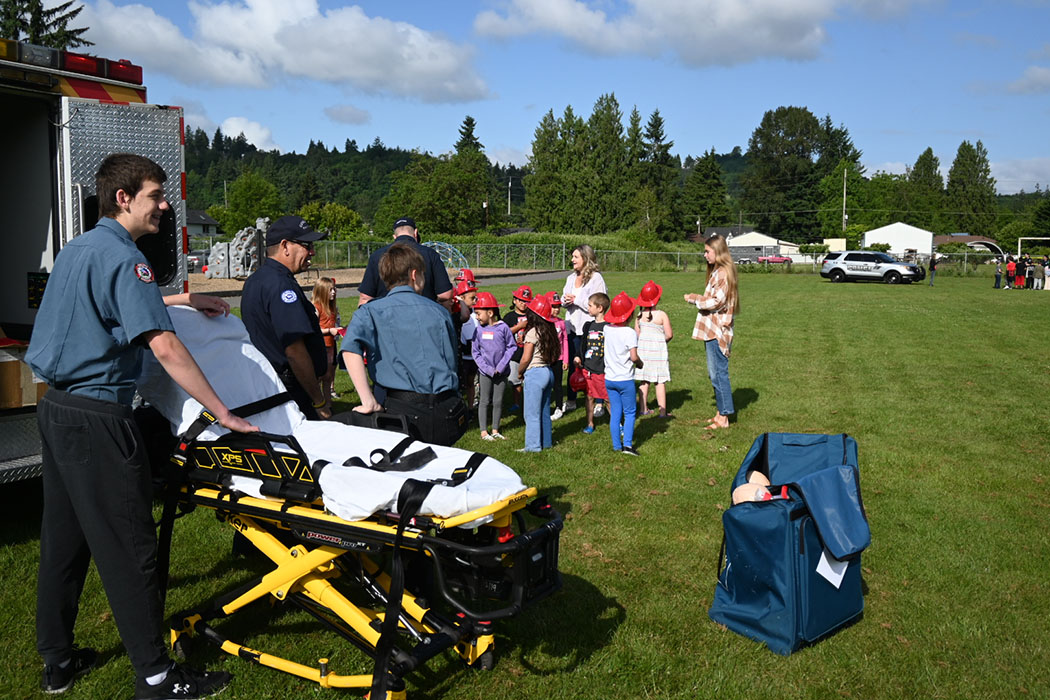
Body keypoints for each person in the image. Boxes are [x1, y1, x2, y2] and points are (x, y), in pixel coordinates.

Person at [25, 153, 258, 699]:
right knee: (131, 546)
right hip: (100, 417)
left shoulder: (80, 248)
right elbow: (165, 346)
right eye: (156, 195)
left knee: (65, 541)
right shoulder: (127, 259)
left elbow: (111, 305)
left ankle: (57, 662)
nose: (165, 206)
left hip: (57, 409)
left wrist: (182, 297)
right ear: (124, 198)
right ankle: (156, 676)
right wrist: (221, 412)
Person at [341, 243, 462, 445]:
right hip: (446, 408)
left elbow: (349, 348)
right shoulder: (440, 312)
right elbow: (450, 359)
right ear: (415, 275)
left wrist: (367, 399)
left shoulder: (370, 311)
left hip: (401, 410)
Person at [241, 215, 330, 420]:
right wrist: (319, 401)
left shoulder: (256, 280)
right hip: (292, 388)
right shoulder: (281, 285)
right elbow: (295, 351)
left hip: (270, 383)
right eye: (307, 245)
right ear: (285, 246)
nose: (312, 252)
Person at [685, 233, 740, 431]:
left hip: (719, 332)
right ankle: (720, 412)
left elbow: (717, 302)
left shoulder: (724, 273)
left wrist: (694, 299)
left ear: (717, 251)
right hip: (712, 330)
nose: (705, 255)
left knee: (719, 374)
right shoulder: (718, 271)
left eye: (707, 251)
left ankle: (724, 417)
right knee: (714, 373)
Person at [357, 216, 453, 306]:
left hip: (386, 318)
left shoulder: (377, 256)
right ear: (415, 233)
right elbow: (445, 295)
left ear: (394, 236)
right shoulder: (431, 254)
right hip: (425, 315)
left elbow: (365, 298)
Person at [561, 244, 607, 412]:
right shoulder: (570, 278)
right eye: (572, 257)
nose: (572, 260)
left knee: (594, 365)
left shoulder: (596, 278)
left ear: (586, 259)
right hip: (572, 328)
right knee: (574, 364)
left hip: (590, 328)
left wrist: (577, 301)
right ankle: (571, 400)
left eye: (576, 257)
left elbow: (601, 302)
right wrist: (564, 300)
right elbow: (564, 298)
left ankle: (599, 402)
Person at [471, 292, 516, 441]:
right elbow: (475, 352)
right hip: (485, 373)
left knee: (498, 401)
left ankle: (495, 429)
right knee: (484, 401)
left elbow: (511, 347)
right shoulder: (478, 330)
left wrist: (501, 366)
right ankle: (484, 431)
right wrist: (487, 369)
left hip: (501, 373)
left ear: (490, 313)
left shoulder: (503, 328)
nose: (477, 317)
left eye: (478, 313)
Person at [603, 292, 642, 456]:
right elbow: (633, 357)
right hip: (625, 379)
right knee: (630, 412)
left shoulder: (607, 329)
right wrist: (639, 363)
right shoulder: (630, 333)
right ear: (630, 314)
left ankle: (616, 446)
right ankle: (627, 445)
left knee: (616, 412)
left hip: (609, 378)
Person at [519, 294, 559, 452]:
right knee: (544, 411)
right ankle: (546, 442)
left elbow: (525, 358)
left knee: (531, 413)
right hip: (547, 372)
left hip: (534, 373)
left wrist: (520, 372)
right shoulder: (549, 331)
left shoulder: (532, 333)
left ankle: (533, 446)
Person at [634, 280, 673, 418]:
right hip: (658, 352)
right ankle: (662, 412)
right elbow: (669, 334)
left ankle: (643, 409)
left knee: (644, 380)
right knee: (659, 381)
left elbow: (637, 335)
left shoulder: (639, 316)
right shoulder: (662, 315)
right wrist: (661, 341)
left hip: (643, 352)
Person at [575, 292, 610, 435]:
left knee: (607, 399)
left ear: (600, 308)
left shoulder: (608, 327)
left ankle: (618, 423)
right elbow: (583, 345)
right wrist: (578, 356)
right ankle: (590, 423)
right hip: (588, 368)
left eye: (590, 305)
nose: (588, 308)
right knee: (589, 397)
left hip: (602, 369)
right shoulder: (588, 326)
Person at [311, 277, 343, 408]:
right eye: (330, 290)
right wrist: (330, 330)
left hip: (331, 345)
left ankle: (328, 404)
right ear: (322, 291)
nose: (334, 293)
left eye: (334, 289)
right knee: (319, 376)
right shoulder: (316, 307)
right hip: (320, 346)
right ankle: (316, 402)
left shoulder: (332, 307)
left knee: (328, 376)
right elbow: (313, 329)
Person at [502, 285, 533, 411]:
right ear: (514, 300)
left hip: (529, 354)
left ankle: (529, 403)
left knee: (529, 381)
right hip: (514, 354)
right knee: (515, 381)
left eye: (526, 301)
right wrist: (519, 326)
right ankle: (516, 403)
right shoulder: (509, 317)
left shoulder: (532, 316)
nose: (523, 304)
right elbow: (503, 333)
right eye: (521, 300)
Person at [453, 280, 479, 409]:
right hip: (463, 355)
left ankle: (470, 407)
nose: (475, 301)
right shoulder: (458, 314)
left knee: (471, 382)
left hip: (474, 355)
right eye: (472, 298)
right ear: (461, 298)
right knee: (461, 383)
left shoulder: (477, 313)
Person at [547, 292, 570, 420]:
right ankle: (546, 406)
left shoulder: (561, 323)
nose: (556, 310)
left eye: (558, 307)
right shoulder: (544, 322)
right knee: (546, 384)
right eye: (553, 306)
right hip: (546, 359)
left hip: (558, 359)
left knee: (557, 385)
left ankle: (559, 407)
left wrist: (565, 359)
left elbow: (565, 340)